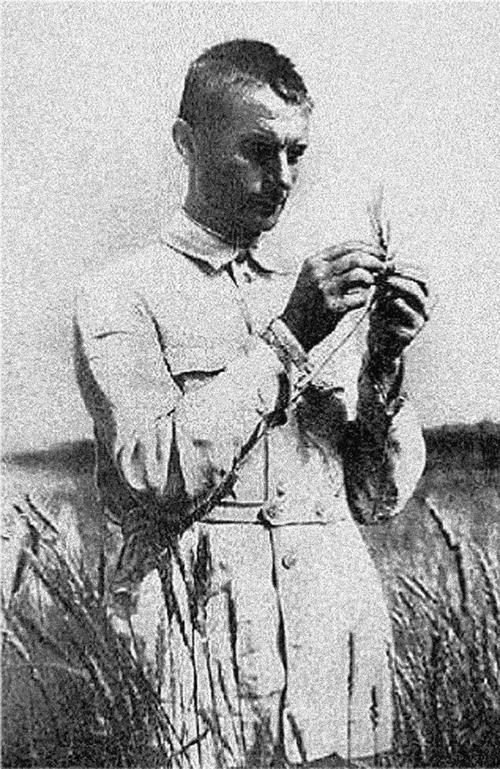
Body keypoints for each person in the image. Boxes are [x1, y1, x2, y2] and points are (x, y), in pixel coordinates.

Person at [74, 40, 430, 769]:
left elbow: (377, 496)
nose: (284, 178)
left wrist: (385, 361)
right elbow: (152, 473)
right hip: (198, 652)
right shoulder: (120, 293)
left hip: (333, 647)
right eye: (259, 151)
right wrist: (290, 337)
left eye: (297, 153)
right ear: (187, 142)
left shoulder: (313, 288)